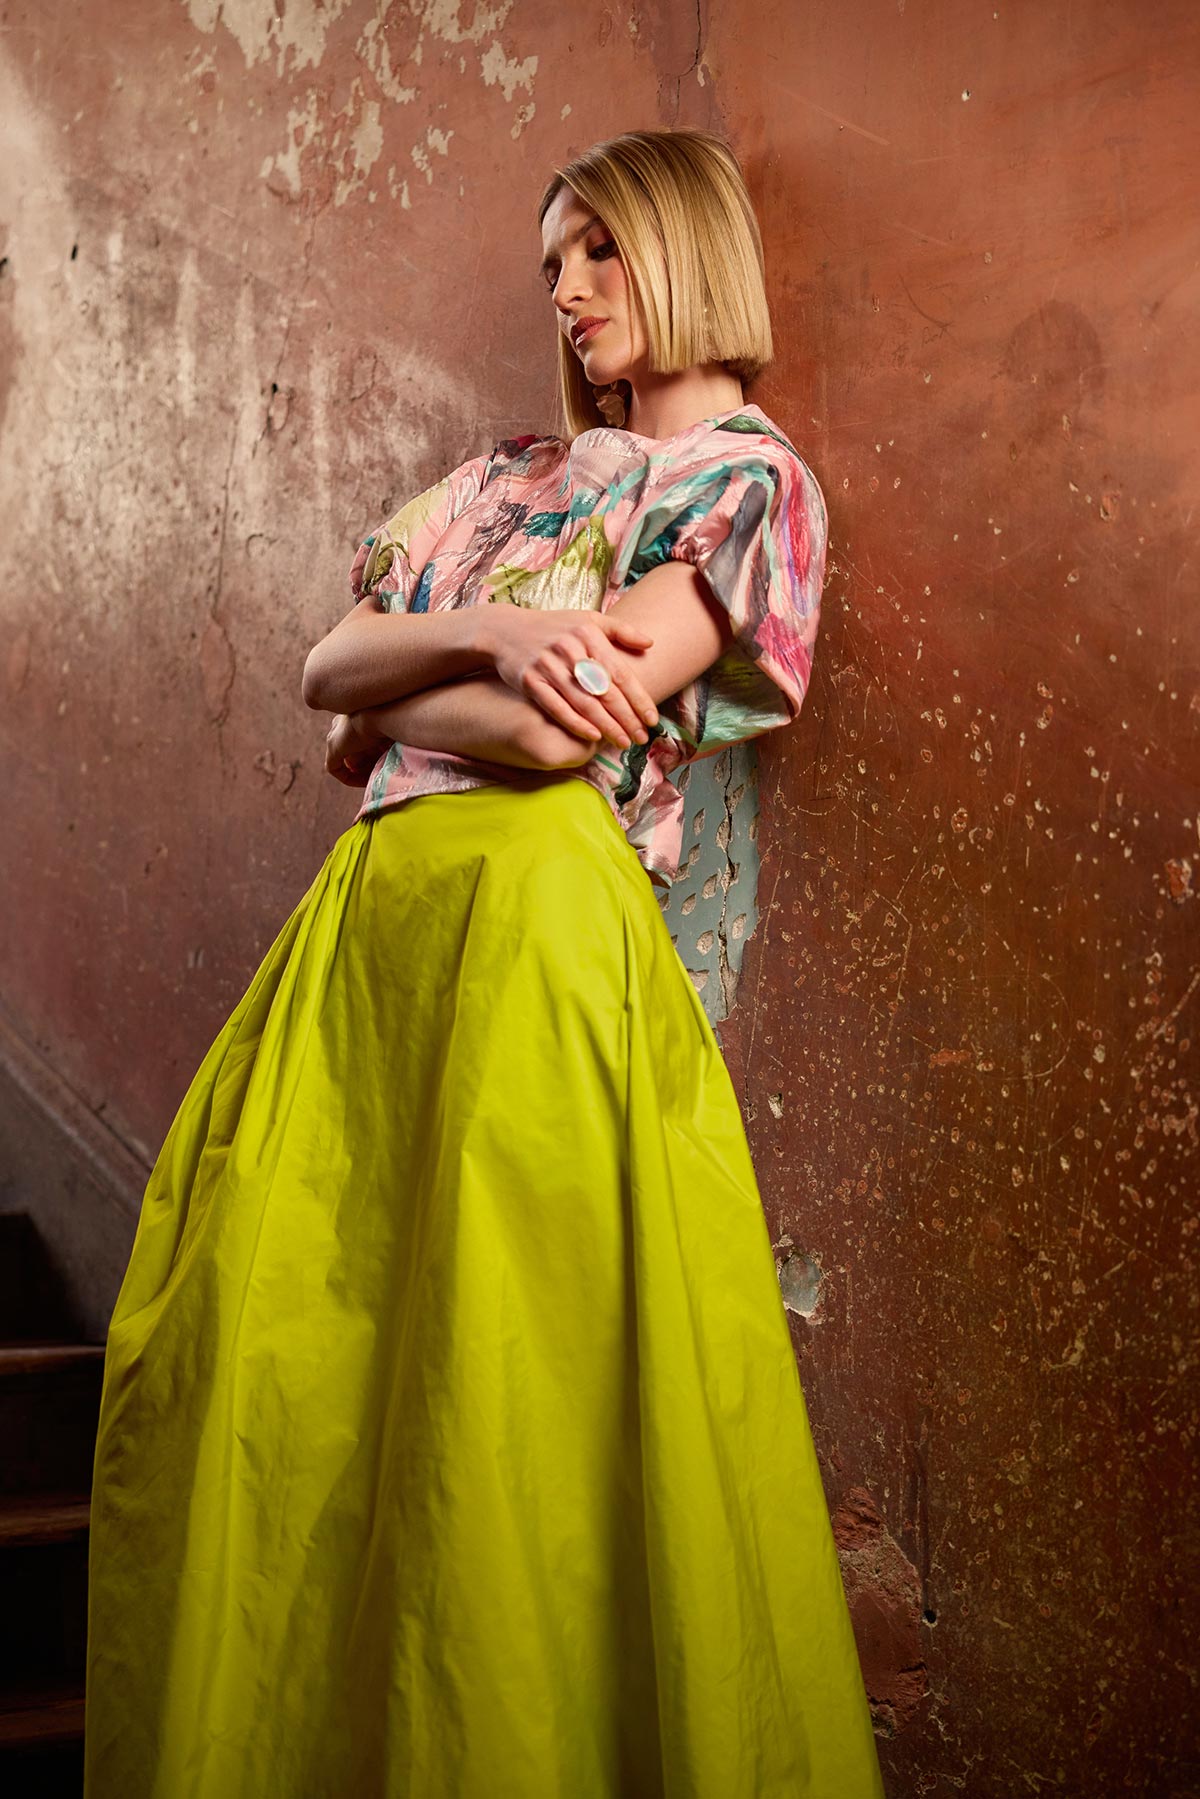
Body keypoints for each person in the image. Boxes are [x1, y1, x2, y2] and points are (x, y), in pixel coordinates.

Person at [84, 128, 885, 1797]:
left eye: (600, 251)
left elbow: (531, 742)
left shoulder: (753, 488)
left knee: (501, 1393)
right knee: (299, 1373)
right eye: (552, 266)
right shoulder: (504, 473)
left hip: (533, 933)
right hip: (362, 948)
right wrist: (507, 629)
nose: (571, 291)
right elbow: (329, 666)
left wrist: (426, 690)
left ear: (685, 247)